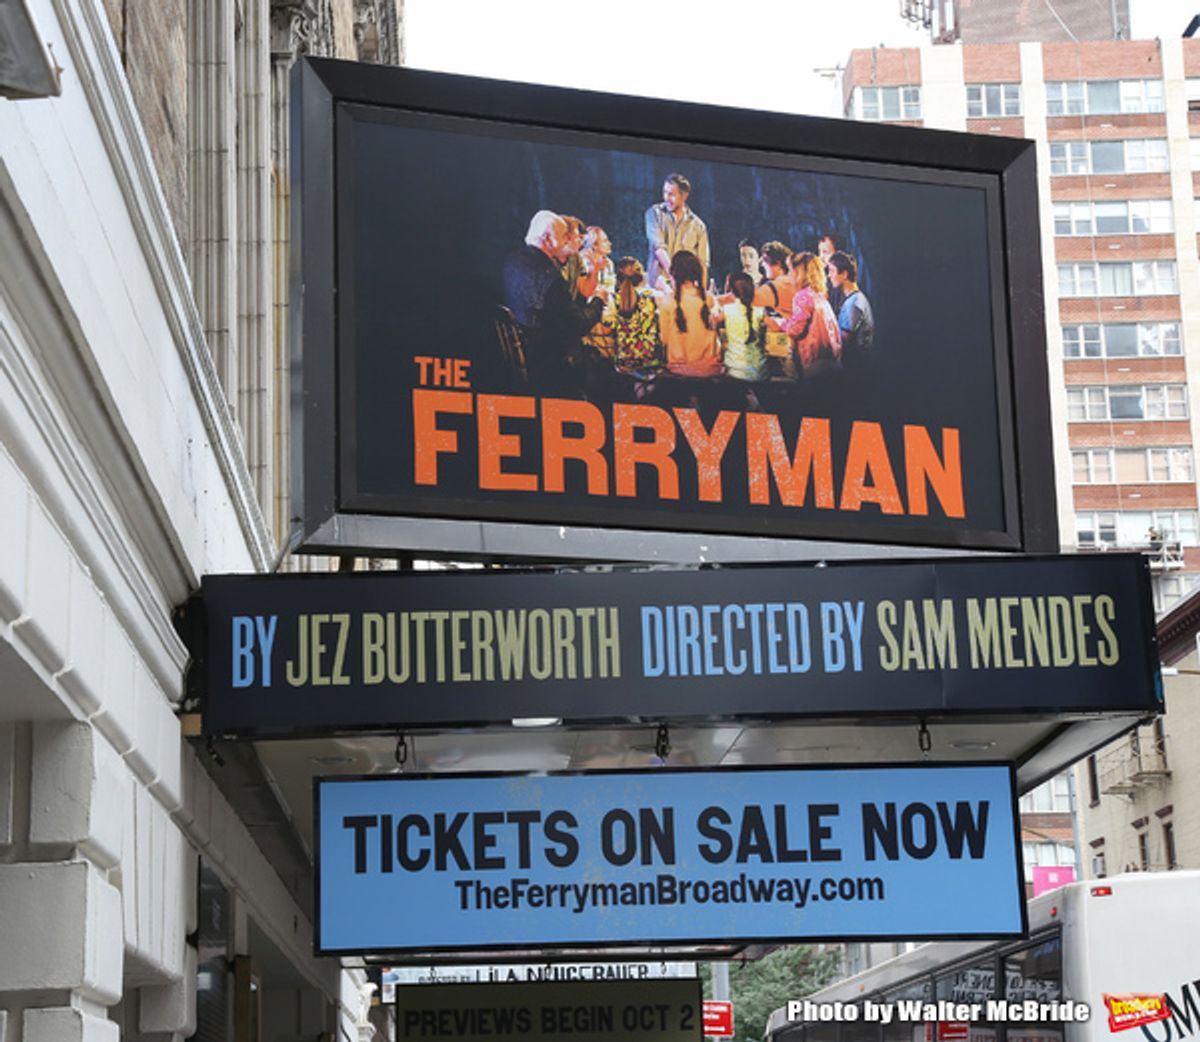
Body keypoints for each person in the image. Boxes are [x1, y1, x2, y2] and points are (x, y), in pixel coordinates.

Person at [502, 210, 607, 392]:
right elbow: (577, 325)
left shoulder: (513, 260)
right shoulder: (550, 279)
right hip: (549, 365)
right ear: (547, 239)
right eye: (562, 237)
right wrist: (598, 302)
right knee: (605, 371)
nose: (566, 242)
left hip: (522, 355)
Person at [657, 250, 720, 377]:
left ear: (673, 273)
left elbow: (664, 339)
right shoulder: (709, 298)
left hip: (679, 369)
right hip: (710, 368)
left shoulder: (667, 301)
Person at [645, 173, 710, 290]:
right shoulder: (654, 214)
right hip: (658, 288)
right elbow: (659, 249)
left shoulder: (698, 226)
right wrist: (674, 278)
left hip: (685, 289)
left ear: (684, 196)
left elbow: (703, 264)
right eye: (665, 192)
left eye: (671, 194)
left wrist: (702, 293)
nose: (666, 198)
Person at [784, 251, 842, 376]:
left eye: (790, 270)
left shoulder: (802, 296)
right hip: (832, 361)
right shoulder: (819, 297)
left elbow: (795, 329)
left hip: (815, 364)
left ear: (799, 272)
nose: (788, 275)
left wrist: (782, 324)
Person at [605, 257, 662, 372]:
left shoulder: (613, 300)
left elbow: (608, 325)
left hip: (622, 363)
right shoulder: (655, 297)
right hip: (650, 363)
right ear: (642, 277)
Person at [828, 251, 874, 369]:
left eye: (832, 271)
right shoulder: (852, 300)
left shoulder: (854, 303)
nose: (829, 275)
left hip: (855, 370)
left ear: (844, 274)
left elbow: (843, 342)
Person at [719, 271, 767, 381]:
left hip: (735, 370)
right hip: (759, 370)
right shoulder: (760, 311)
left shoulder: (727, 310)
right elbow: (776, 327)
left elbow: (711, 322)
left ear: (731, 291)